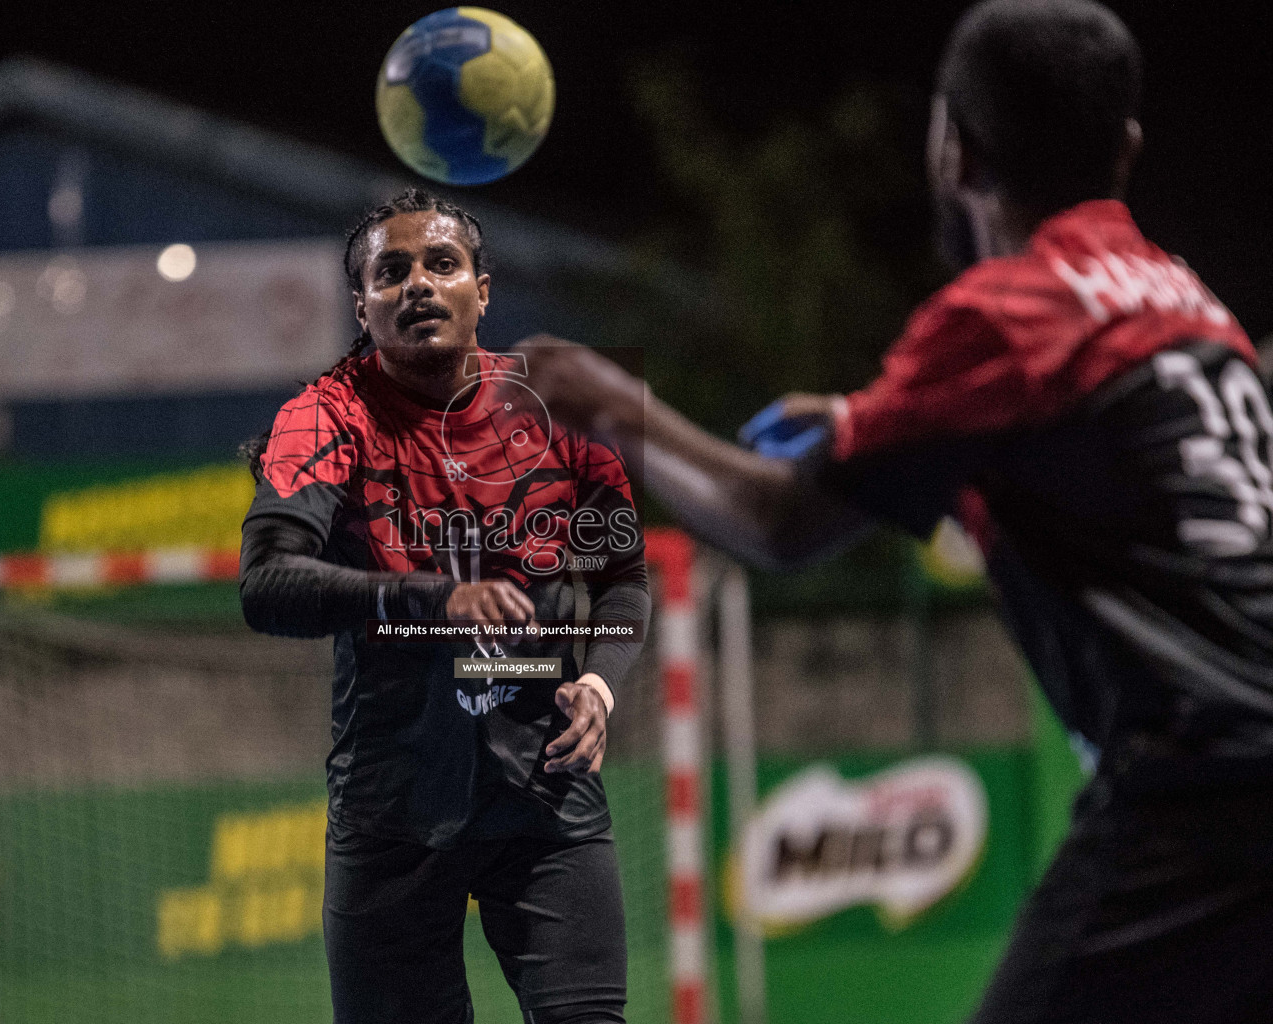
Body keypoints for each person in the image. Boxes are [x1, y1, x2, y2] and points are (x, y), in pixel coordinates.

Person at [513, 1, 1273, 1021]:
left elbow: (781, 523)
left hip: (1202, 789)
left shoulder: (1005, 312)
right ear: (1126, 150)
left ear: (954, 150)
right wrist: (867, 419)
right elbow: (1078, 448)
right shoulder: (1193, 305)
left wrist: (605, 403)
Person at [239, 188, 649, 1024]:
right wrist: (435, 599)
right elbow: (268, 583)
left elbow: (622, 580)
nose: (418, 284)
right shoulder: (322, 418)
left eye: (442, 264)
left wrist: (600, 684)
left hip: (546, 788)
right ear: (361, 304)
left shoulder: (553, 412)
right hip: (392, 800)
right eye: (391, 272)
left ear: (482, 290)